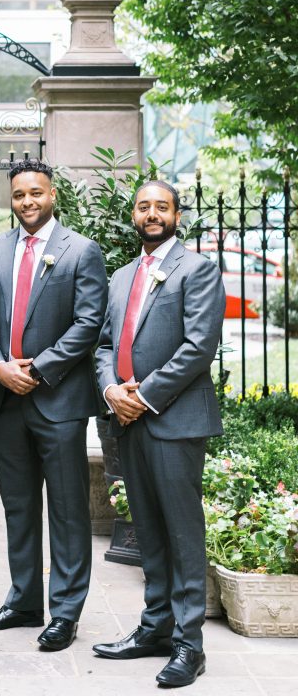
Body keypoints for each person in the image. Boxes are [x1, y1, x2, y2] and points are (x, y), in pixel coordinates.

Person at [93, 181, 225, 689]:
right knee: (146, 528)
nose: (152, 214)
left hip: (173, 421)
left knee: (181, 531)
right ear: (134, 214)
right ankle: (155, 628)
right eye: (144, 206)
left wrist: (141, 396)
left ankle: (189, 645)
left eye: (161, 207)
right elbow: (104, 345)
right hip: (126, 419)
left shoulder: (197, 269)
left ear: (176, 214)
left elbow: (198, 346)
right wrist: (111, 393)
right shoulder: (123, 275)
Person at [0, 159, 107, 652]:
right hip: (5, 399)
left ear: (53, 195)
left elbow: (88, 324)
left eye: (36, 193)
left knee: (69, 511)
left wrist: (38, 368)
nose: (28, 202)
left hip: (58, 401)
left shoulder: (81, 251)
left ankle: (65, 612)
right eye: (20, 195)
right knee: (18, 506)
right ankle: (24, 601)